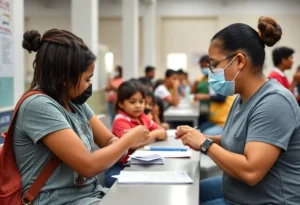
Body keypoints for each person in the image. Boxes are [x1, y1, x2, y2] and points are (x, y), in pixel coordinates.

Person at [15, 29, 149, 205]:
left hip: (89, 195)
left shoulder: (75, 103)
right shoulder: (38, 106)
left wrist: (123, 143)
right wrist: (128, 139)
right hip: (57, 201)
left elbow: (108, 141)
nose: (90, 85)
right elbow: (88, 166)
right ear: (65, 78)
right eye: (87, 79)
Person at [176, 16, 300, 205]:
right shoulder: (242, 97)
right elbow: (235, 139)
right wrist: (197, 136)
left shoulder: (274, 101)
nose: (211, 72)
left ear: (240, 61)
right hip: (239, 191)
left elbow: (251, 172)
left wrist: (204, 144)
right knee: (189, 192)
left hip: (267, 199)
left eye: (215, 64)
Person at [105, 80, 167, 187]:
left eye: (141, 101)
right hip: (120, 166)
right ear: (121, 104)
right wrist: (154, 134)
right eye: (132, 102)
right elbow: (133, 145)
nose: (138, 106)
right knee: (123, 185)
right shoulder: (120, 120)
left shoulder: (142, 117)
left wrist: (155, 133)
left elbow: (163, 133)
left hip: (138, 163)